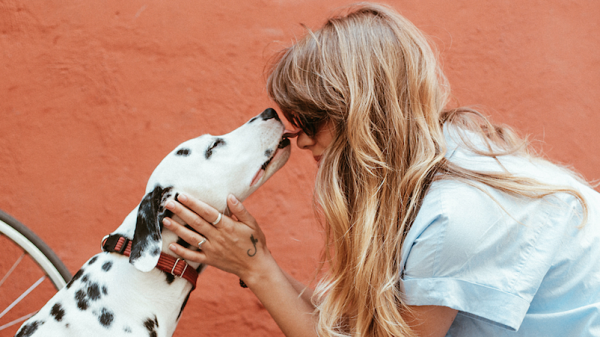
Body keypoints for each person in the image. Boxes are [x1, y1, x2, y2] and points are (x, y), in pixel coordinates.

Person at [161, 3, 600, 336]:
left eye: (311, 119)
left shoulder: (454, 216)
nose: (301, 139)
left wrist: (257, 269)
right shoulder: (432, 168)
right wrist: (254, 261)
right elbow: (358, 327)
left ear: (362, 113)